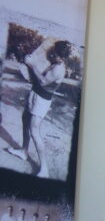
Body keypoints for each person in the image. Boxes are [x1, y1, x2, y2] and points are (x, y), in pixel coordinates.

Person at [10, 40, 70, 177]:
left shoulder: (59, 69)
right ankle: (24, 151)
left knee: (34, 131)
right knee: (25, 119)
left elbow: (43, 82)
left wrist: (31, 64)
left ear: (61, 56)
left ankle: (44, 169)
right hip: (35, 93)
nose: (52, 53)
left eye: (55, 52)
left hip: (42, 100)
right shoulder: (56, 63)